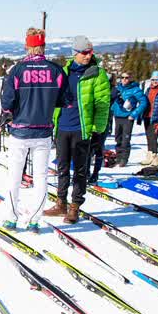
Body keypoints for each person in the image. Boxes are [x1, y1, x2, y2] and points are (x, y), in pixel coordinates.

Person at [0, 28, 69, 232]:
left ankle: (11, 218)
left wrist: (8, 114)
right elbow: (65, 100)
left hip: (20, 130)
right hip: (43, 131)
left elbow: (7, 100)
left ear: (26, 45)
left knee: (14, 176)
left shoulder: (18, 70)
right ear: (43, 46)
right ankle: (35, 220)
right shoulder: (55, 70)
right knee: (40, 177)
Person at [45, 35, 110, 223]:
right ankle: (60, 203)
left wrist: (98, 130)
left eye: (90, 52)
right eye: (84, 52)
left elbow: (103, 104)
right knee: (62, 167)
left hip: (83, 129)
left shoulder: (97, 74)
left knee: (80, 170)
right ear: (75, 53)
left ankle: (75, 206)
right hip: (63, 127)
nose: (88, 56)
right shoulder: (64, 72)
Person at [110, 72, 147, 167]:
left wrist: (134, 114)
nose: (124, 79)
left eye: (126, 77)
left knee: (125, 139)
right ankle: (118, 157)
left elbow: (143, 102)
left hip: (127, 117)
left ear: (130, 78)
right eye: (122, 77)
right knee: (118, 137)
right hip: (117, 115)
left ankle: (124, 158)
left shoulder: (135, 90)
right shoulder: (118, 88)